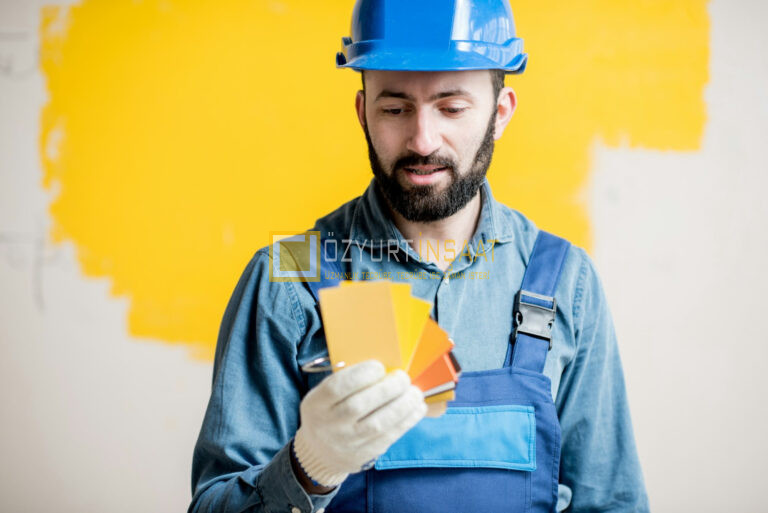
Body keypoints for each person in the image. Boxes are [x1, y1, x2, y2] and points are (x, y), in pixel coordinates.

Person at [188, 1, 650, 511]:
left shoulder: (565, 281)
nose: (423, 141)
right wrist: (308, 467)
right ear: (363, 113)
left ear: (500, 113)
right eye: (395, 109)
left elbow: (613, 503)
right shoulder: (287, 279)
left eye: (451, 108)